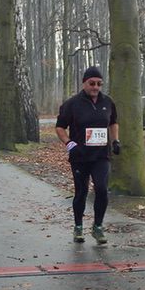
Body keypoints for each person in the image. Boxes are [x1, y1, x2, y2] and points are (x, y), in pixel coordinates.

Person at [56, 66, 119, 244]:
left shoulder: (108, 102)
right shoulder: (72, 104)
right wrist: (69, 144)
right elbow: (60, 127)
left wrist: (115, 140)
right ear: (84, 83)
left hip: (101, 155)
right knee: (81, 192)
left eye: (99, 84)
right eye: (92, 83)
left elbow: (113, 122)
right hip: (80, 156)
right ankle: (78, 227)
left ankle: (98, 227)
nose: (95, 87)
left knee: (101, 189)